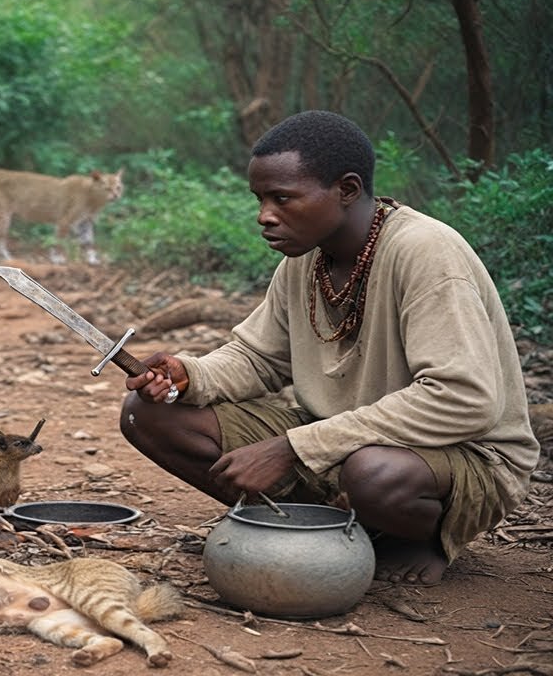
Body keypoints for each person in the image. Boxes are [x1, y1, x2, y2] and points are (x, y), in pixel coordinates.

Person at [120, 110, 538, 586]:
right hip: (344, 441)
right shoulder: (306, 261)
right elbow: (258, 357)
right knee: (147, 413)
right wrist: (189, 375)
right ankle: (315, 527)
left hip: (455, 457)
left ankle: (413, 536)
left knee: (374, 474)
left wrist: (295, 448)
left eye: (282, 198)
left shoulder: (426, 253)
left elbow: (464, 398)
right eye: (259, 199)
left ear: (347, 189)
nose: (264, 215)